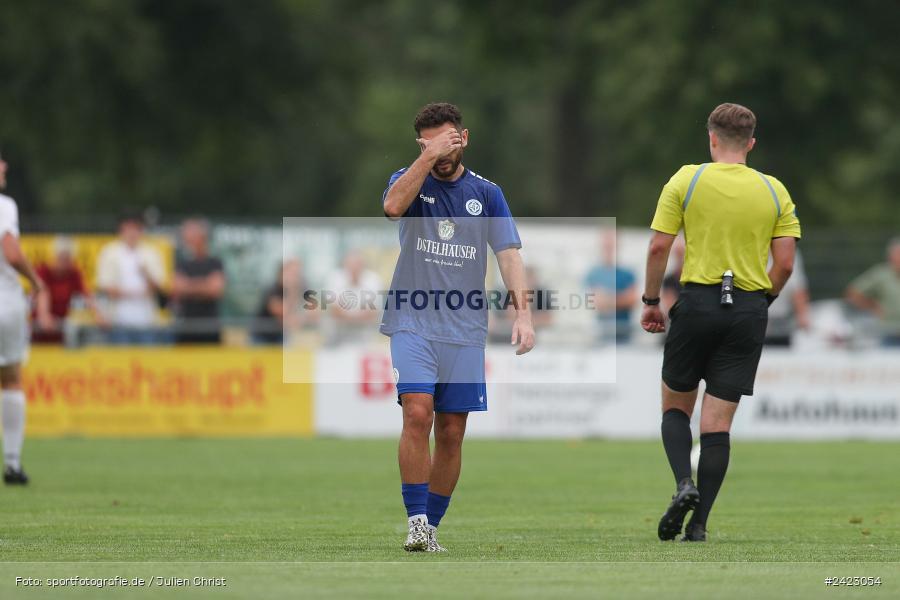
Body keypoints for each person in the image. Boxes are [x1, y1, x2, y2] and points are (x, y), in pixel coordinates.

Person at [640, 103, 801, 542]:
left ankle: (682, 483)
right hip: (748, 309)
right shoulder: (773, 190)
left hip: (697, 302)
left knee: (675, 407)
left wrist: (652, 301)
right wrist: (760, 300)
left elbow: (658, 248)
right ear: (750, 143)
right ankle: (700, 525)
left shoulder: (687, 179)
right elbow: (785, 264)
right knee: (717, 425)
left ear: (711, 138)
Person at [382, 102, 534, 552]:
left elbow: (508, 254)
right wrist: (425, 159)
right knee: (417, 412)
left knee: (451, 431)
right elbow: (392, 207)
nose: (441, 150)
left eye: (447, 140)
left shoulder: (488, 194)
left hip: (465, 329)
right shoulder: (406, 180)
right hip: (412, 321)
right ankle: (414, 523)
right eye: (430, 142)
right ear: (421, 144)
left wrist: (523, 313)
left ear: (463, 138)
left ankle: (431, 526)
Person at [0, 151, 47, 484]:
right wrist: (35, 279)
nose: (4, 166)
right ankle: (13, 464)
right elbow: (11, 252)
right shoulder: (5, 205)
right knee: (11, 378)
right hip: (4, 301)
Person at [96, 212, 167, 344]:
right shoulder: (109, 253)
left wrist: (146, 274)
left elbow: (158, 287)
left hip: (147, 321)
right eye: (128, 229)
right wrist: (139, 292)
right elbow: (108, 289)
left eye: (135, 228)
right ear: (121, 230)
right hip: (118, 321)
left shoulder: (151, 253)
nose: (132, 233)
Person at [31, 236, 106, 344]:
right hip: (39, 329)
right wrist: (44, 315)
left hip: (60, 328)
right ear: (55, 256)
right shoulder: (43, 271)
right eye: (62, 258)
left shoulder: (74, 273)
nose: (65, 262)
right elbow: (42, 293)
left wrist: (98, 315)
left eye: (68, 258)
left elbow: (87, 295)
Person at [171, 219, 225, 344]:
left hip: (209, 327)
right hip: (185, 327)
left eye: (190, 236)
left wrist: (188, 286)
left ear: (202, 237)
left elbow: (216, 290)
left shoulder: (215, 263)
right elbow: (177, 288)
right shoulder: (182, 263)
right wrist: (204, 285)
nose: (187, 240)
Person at [584, 230, 637, 344]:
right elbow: (596, 303)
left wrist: (607, 299)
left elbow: (632, 300)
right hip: (601, 335)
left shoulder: (628, 274)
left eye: (612, 246)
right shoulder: (593, 273)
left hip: (624, 336)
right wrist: (621, 298)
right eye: (606, 246)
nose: (609, 250)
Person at [845, 237, 900, 346]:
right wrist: (872, 306)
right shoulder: (881, 274)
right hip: (889, 334)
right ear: (891, 257)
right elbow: (853, 292)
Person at [323, 251, 382, 345]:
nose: (354, 268)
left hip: (365, 329)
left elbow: (373, 312)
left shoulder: (373, 279)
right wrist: (357, 317)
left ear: (362, 266)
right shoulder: (335, 278)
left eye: (357, 265)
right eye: (351, 265)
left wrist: (348, 316)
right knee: (327, 324)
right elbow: (333, 310)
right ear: (345, 265)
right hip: (339, 329)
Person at [251, 259, 306, 345]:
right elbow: (282, 312)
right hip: (261, 337)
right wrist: (292, 290)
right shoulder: (272, 289)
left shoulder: (295, 291)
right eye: (292, 273)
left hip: (279, 337)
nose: (295, 277)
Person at [764, 249, 811, 346]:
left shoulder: (790, 252)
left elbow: (798, 290)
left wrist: (803, 317)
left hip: (781, 323)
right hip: (754, 320)